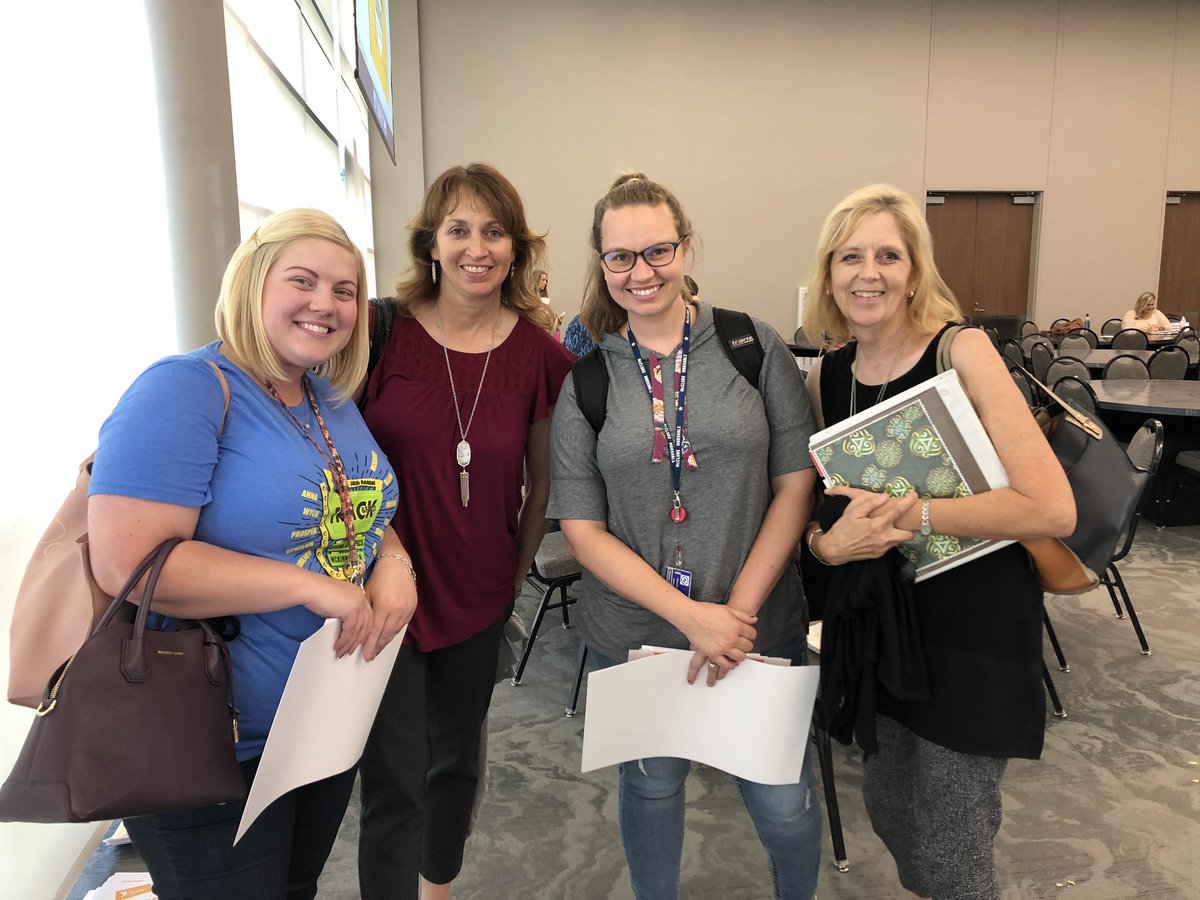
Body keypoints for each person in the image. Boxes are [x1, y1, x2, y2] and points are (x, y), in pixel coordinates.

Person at [87, 208, 416, 899]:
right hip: (206, 741)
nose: (325, 303)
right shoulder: (184, 389)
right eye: (303, 281)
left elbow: (359, 506)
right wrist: (306, 587)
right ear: (253, 284)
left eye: (346, 290)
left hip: (315, 722)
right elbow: (129, 565)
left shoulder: (325, 397)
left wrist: (393, 561)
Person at [549, 173, 823, 899]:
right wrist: (691, 618)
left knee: (782, 802)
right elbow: (581, 528)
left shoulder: (750, 346)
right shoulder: (588, 381)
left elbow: (796, 485)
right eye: (621, 257)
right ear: (602, 265)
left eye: (658, 250)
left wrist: (733, 617)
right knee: (652, 792)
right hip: (638, 631)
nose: (641, 272)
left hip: (757, 625)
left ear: (686, 245)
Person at [800, 183, 1075, 900]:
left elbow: (1051, 507)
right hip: (884, 630)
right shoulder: (826, 375)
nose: (870, 273)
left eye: (889, 255)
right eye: (850, 256)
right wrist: (829, 546)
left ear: (916, 270)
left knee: (953, 842)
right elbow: (820, 512)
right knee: (893, 813)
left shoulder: (963, 351)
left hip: (973, 626)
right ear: (828, 274)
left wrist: (912, 516)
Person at [357, 163, 573, 900]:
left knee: (456, 760)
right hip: (380, 587)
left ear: (516, 248)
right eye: (458, 229)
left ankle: (438, 887)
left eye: (493, 231)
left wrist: (511, 577)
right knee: (392, 770)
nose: (476, 246)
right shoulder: (380, 332)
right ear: (431, 243)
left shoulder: (542, 357)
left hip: (478, 590)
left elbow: (544, 483)